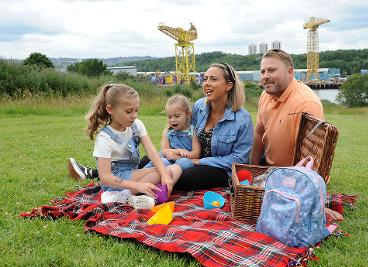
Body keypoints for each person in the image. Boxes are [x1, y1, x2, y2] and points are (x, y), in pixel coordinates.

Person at [69, 63, 253, 191]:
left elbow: (239, 160)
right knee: (145, 161)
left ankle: (132, 185)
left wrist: (198, 161)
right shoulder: (199, 107)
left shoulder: (242, 119)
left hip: (216, 167)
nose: (206, 84)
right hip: (187, 156)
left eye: (213, 79)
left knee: (184, 177)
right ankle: (96, 174)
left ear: (229, 85)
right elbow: (184, 127)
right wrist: (172, 135)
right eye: (205, 79)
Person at [250, 49, 343, 220]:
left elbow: (314, 159)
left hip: (297, 175)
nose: (265, 76)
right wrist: (252, 173)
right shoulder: (265, 94)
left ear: (290, 72)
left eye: (272, 70)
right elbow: (258, 133)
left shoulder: (305, 103)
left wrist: (314, 202)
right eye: (263, 71)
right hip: (272, 168)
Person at [77, 83, 182, 207]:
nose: (134, 115)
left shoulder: (136, 125)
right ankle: (119, 197)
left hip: (133, 174)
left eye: (136, 110)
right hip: (115, 182)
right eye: (128, 111)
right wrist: (137, 185)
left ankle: (144, 197)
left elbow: (152, 152)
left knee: (174, 169)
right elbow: (105, 177)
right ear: (110, 110)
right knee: (162, 172)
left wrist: (164, 174)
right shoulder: (104, 138)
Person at [144, 94, 201, 168]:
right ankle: (141, 174)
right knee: (158, 161)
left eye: (177, 116)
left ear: (187, 114)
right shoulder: (168, 131)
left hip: (185, 160)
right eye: (169, 117)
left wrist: (180, 157)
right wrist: (178, 151)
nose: (172, 120)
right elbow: (164, 151)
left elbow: (196, 153)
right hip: (168, 159)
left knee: (185, 163)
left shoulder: (193, 131)